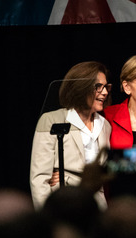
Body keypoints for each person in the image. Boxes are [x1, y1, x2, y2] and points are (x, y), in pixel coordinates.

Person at [30, 61, 112, 210]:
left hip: (96, 207)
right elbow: (40, 178)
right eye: (98, 87)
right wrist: (46, 218)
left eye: (106, 86)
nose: (105, 92)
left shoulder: (105, 125)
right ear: (81, 88)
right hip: (64, 204)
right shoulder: (51, 120)